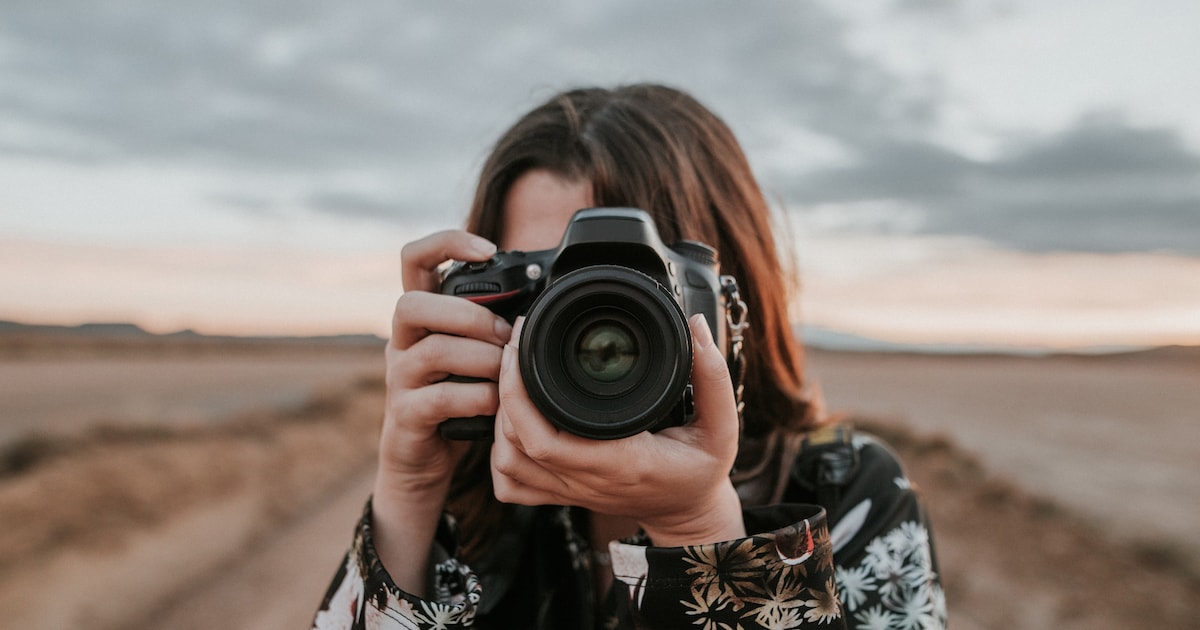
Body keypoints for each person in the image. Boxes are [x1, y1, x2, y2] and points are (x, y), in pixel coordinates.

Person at [312, 84, 945, 629]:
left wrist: (699, 527)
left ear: (736, 302)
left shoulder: (848, 493)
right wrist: (411, 489)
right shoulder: (469, 504)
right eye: (551, 286)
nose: (593, 335)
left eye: (647, 289)